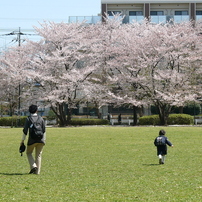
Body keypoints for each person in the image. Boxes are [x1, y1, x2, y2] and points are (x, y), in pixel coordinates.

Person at [20, 105, 46, 174]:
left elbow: (25, 131)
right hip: (41, 139)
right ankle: (37, 172)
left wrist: (22, 141)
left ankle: (33, 166)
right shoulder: (41, 118)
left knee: (29, 153)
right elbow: (44, 130)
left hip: (32, 140)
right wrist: (44, 140)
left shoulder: (28, 119)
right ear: (36, 110)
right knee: (38, 155)